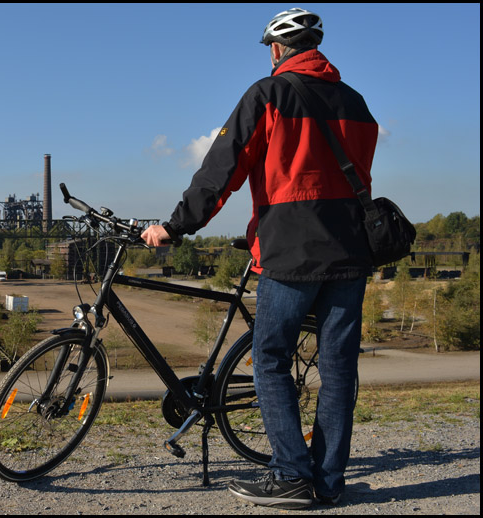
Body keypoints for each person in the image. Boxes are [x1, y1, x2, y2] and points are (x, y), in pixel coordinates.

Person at [141, 7, 378, 510]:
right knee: (337, 368)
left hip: (291, 253)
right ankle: (329, 482)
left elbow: (222, 168)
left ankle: (290, 473)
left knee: (270, 360)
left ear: (276, 49)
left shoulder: (267, 93)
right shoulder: (357, 104)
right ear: (316, 48)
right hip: (352, 251)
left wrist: (176, 225)